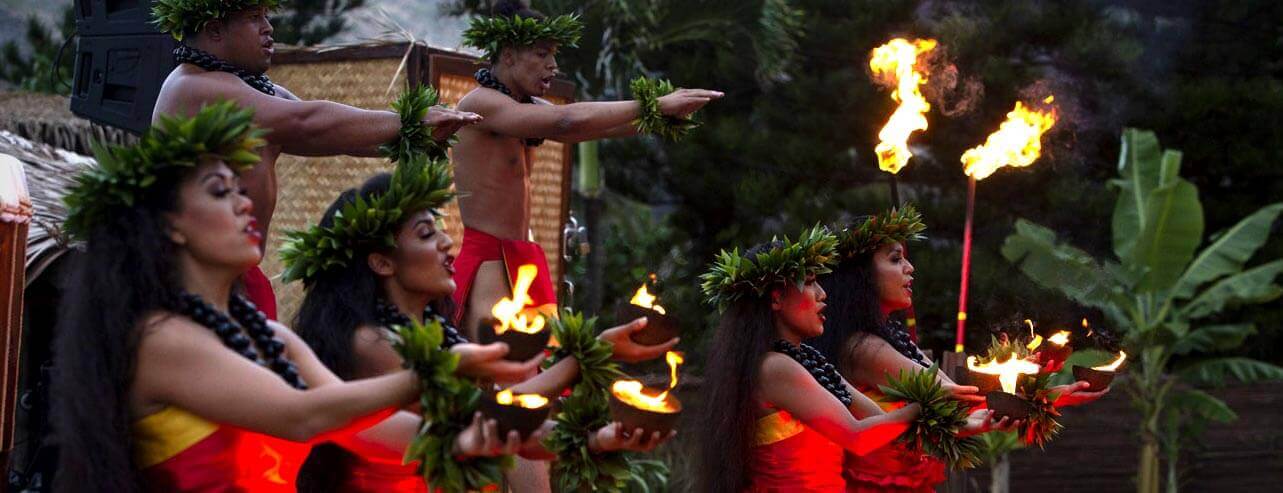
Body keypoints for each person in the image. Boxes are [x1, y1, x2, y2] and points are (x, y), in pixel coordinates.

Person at [49, 103, 511, 492]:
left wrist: (471, 440)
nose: (245, 201)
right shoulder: (162, 341)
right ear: (170, 223)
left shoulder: (270, 337)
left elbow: (363, 429)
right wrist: (445, 367)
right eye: (219, 191)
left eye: (239, 187)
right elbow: (303, 417)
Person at [284, 158, 675, 492]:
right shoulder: (373, 343)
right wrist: (590, 356)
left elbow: (505, 423)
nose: (445, 242)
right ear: (382, 262)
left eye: (438, 228)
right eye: (425, 234)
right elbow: (486, 415)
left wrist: (600, 438)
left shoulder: (434, 334)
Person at [149, 0, 481, 319]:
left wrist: (415, 135)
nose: (269, 28)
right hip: (191, 278)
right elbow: (307, 121)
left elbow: (334, 133)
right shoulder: (192, 88)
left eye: (267, 16)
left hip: (238, 277)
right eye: (255, 18)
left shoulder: (254, 91)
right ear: (214, 29)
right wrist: (408, 122)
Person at [450, 0, 723, 338]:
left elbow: (586, 129)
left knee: (538, 371)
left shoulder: (527, 107)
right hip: (490, 258)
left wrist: (656, 118)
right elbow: (567, 119)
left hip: (523, 255)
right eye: (541, 54)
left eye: (553, 55)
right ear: (508, 55)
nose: (553, 65)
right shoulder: (480, 104)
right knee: (500, 369)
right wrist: (653, 103)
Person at [808, 206, 1109, 492]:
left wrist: (1034, 381)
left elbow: (956, 398)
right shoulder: (864, 348)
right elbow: (957, 400)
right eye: (895, 259)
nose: (909, 268)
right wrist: (1037, 384)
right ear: (861, 275)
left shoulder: (886, 337)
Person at [694, 227, 975, 492]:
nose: (823, 294)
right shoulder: (774, 367)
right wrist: (926, 401)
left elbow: (886, 424)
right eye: (811, 282)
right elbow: (857, 436)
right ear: (777, 298)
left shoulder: (809, 362)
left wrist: (978, 423)